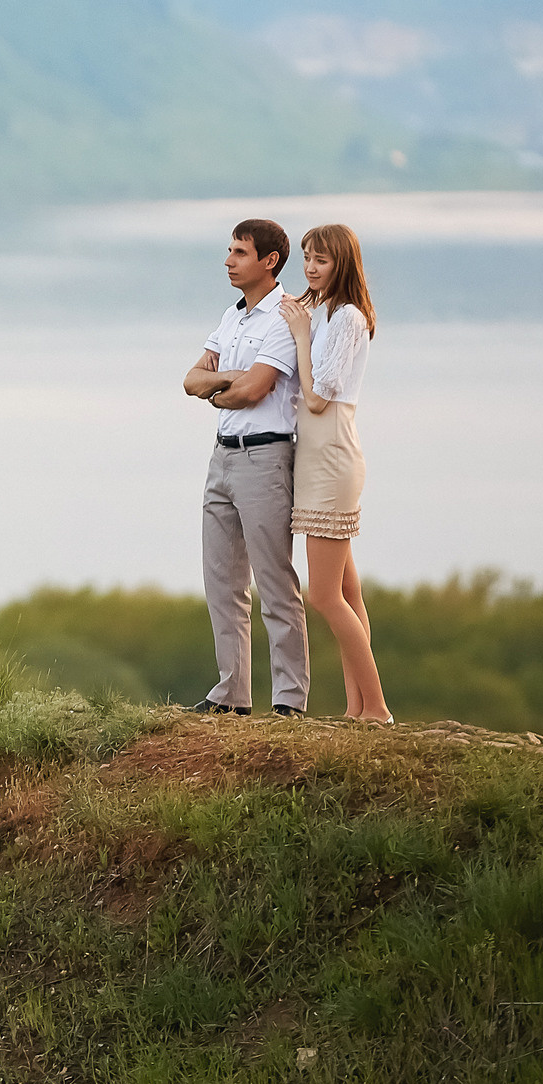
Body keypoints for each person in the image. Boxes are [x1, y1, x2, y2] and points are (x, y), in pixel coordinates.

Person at [181, 218, 308, 717]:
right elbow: (192, 379)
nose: (229, 260)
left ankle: (289, 700)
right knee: (222, 582)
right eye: (230, 250)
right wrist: (229, 379)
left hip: (265, 456)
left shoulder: (286, 316)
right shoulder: (232, 317)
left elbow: (257, 391)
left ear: (269, 261)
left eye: (239, 252)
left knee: (275, 582)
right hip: (223, 457)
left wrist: (224, 385)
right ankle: (232, 694)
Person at [280, 222, 390, 722]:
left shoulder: (346, 317)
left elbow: (319, 397)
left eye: (320, 260)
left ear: (342, 263)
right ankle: (357, 708)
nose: (309, 267)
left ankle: (379, 708)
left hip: (332, 455)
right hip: (317, 457)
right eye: (306, 257)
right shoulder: (324, 312)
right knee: (346, 592)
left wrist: (301, 337)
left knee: (322, 594)